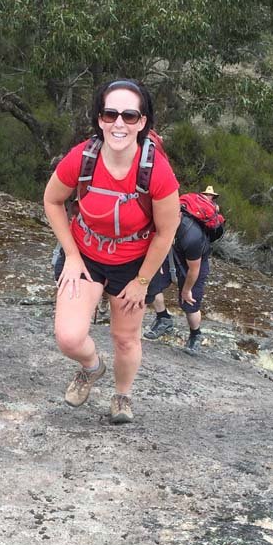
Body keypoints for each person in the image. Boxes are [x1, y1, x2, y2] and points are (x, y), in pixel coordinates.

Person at [43, 79, 180, 424]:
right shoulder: (83, 157)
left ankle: (122, 396)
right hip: (86, 254)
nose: (119, 123)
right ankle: (91, 367)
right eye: (110, 114)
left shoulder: (157, 171)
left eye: (130, 116)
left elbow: (166, 231)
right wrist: (72, 256)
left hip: (134, 262)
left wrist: (143, 281)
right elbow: (52, 200)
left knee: (125, 338)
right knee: (69, 337)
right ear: (100, 118)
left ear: (143, 121)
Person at [144, 184, 219, 355]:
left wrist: (186, 290)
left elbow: (194, 269)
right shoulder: (161, 221)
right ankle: (164, 318)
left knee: (189, 303)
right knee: (149, 284)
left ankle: (195, 334)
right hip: (170, 252)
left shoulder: (192, 236)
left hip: (193, 263)